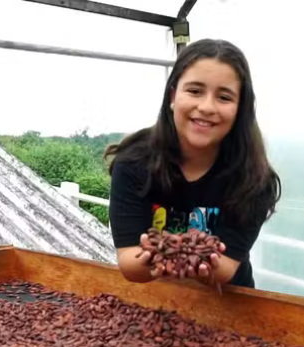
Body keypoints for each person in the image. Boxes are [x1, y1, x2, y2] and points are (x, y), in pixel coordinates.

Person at [105, 38, 281, 289]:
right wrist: (170, 254)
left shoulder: (254, 179)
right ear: (172, 96)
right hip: (156, 301)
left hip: (230, 304)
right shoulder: (134, 162)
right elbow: (129, 262)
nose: (207, 107)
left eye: (224, 97)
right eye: (195, 91)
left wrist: (170, 254)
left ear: (240, 108)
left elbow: (226, 267)